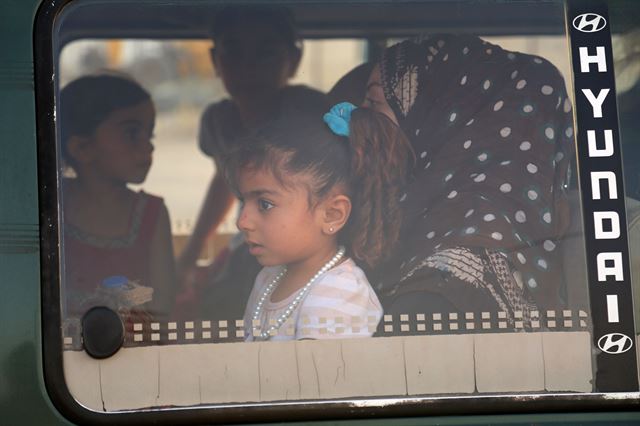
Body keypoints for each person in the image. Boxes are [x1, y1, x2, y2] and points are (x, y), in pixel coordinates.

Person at [352, 34, 575, 324]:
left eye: (372, 103)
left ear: (435, 120)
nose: (356, 123)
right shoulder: (502, 242)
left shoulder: (444, 279)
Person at [175, 5, 326, 321]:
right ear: (216, 61)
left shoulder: (309, 113)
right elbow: (224, 183)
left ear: (294, 61)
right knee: (215, 300)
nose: (248, 67)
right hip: (252, 241)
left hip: (310, 242)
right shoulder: (219, 122)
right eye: (234, 54)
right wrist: (189, 256)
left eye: (265, 54)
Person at [225, 102, 413, 341]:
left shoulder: (338, 294)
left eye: (265, 204)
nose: (243, 222)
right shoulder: (268, 278)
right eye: (244, 201)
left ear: (332, 214)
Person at [59, 73, 177, 326]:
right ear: (83, 148)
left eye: (150, 134)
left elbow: (162, 307)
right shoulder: (53, 207)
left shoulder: (152, 214)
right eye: (132, 133)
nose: (148, 146)